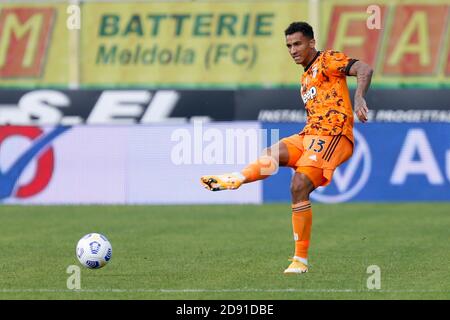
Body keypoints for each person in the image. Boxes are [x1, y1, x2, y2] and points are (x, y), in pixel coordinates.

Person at [200, 21, 373, 274]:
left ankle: (300, 261)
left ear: (312, 43)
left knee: (298, 185)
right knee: (272, 154)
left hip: (333, 136)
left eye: (298, 44)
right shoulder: (305, 77)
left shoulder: (328, 60)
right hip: (310, 134)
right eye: (289, 45)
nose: (293, 50)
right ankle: (236, 178)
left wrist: (358, 97)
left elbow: (363, 68)